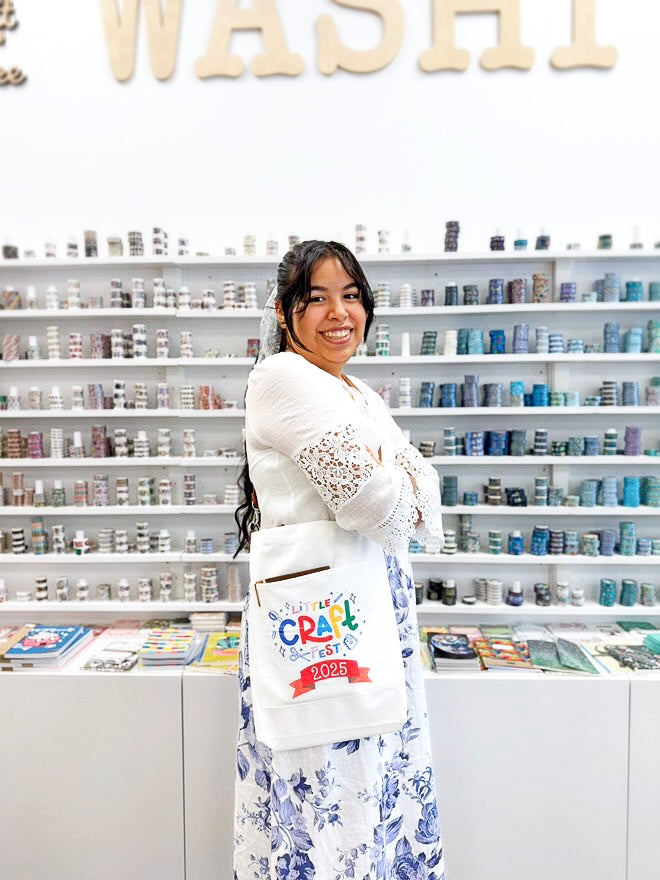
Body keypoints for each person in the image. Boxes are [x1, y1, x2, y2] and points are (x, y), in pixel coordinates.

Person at [233, 240, 445, 880]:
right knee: (327, 795)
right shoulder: (284, 378)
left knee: (372, 790)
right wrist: (392, 476)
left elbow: (425, 488)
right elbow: (372, 502)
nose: (339, 313)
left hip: (365, 611)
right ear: (283, 310)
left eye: (351, 296)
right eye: (317, 297)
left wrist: (395, 478)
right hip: (322, 623)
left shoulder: (354, 392)